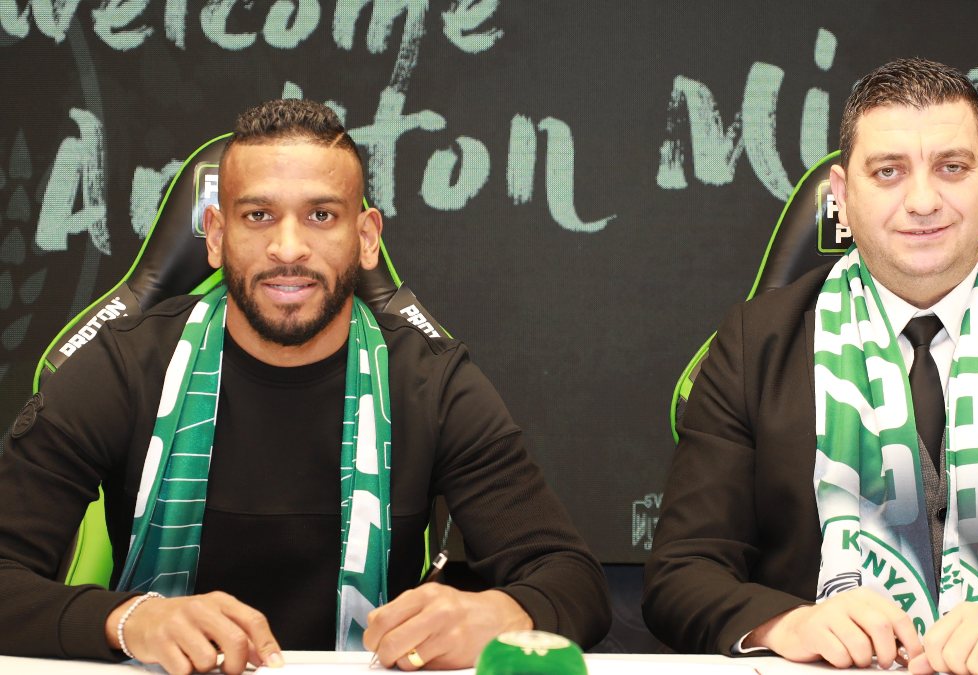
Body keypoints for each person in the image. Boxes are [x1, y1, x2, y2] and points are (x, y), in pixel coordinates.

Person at [0, 99, 610, 674]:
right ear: (216, 235)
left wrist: (503, 612)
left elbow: (571, 578)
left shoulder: (431, 382)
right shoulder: (122, 368)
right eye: (257, 215)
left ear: (365, 238)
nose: (287, 248)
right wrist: (129, 619)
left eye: (321, 215)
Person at [643, 57, 978, 675]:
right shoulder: (754, 345)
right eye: (888, 172)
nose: (923, 201)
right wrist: (788, 623)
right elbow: (682, 571)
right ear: (842, 196)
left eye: (952, 168)